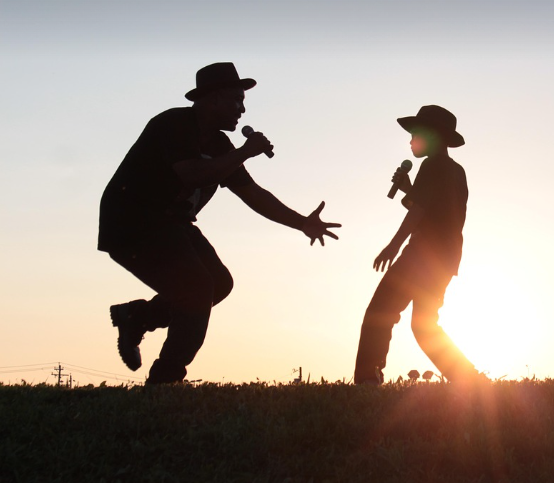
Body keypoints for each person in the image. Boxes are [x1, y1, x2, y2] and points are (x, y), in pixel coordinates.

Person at [97, 62, 340, 384]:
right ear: (211, 100)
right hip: (133, 223)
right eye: (235, 100)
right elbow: (193, 172)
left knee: (218, 284)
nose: (241, 110)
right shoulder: (174, 123)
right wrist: (245, 152)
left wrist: (302, 223)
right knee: (196, 289)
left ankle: (137, 317)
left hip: (174, 225)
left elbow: (252, 194)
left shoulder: (220, 146)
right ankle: (165, 381)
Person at [353, 105, 486, 386]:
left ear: (433, 136)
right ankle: (469, 379)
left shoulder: (433, 165)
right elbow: (433, 207)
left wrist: (392, 246)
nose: (411, 140)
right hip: (445, 260)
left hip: (422, 256)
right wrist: (408, 188)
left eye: (416, 133)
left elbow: (419, 212)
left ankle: (367, 379)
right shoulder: (454, 170)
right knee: (424, 326)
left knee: (380, 313)